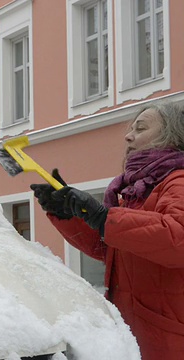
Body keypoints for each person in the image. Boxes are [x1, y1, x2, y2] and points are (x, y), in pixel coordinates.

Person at [31, 102, 184, 360]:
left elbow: (178, 238)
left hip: (168, 342)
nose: (128, 135)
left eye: (141, 128)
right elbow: (112, 249)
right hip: (134, 335)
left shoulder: (177, 181)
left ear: (171, 135)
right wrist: (68, 214)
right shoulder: (135, 190)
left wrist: (105, 218)